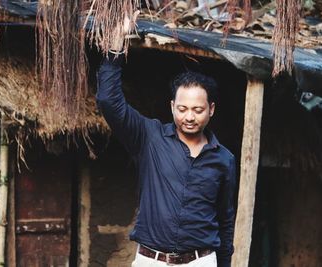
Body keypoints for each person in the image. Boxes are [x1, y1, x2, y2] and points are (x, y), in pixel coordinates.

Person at [96, 15, 236, 267]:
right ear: (172, 107)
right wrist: (114, 50)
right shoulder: (150, 137)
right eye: (182, 109)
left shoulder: (224, 159)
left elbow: (225, 220)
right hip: (152, 261)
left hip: (200, 262)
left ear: (211, 109)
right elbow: (109, 101)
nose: (189, 117)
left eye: (197, 109)